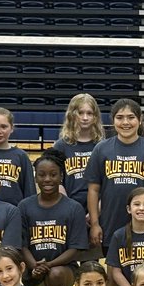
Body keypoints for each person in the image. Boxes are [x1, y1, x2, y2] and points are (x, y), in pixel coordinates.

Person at [85, 98, 144, 254]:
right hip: (110, 223)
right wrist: (95, 224)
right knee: (113, 267)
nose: (125, 122)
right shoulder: (101, 149)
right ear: (113, 120)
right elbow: (93, 190)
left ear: (140, 119)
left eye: (131, 117)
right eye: (120, 117)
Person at [19, 150, 88, 286]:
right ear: (35, 177)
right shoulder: (24, 206)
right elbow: (22, 245)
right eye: (42, 175)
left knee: (55, 275)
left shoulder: (73, 208)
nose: (47, 179)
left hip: (63, 269)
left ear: (61, 176)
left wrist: (48, 265)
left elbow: (75, 249)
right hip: (33, 271)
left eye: (53, 174)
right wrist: (34, 266)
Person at [55, 92, 106, 244]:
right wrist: (71, 209)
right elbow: (56, 182)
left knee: (93, 255)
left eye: (89, 113)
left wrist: (95, 211)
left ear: (95, 117)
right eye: (80, 113)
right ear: (72, 114)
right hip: (68, 208)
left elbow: (108, 182)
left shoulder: (102, 146)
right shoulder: (61, 146)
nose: (85, 117)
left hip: (98, 210)